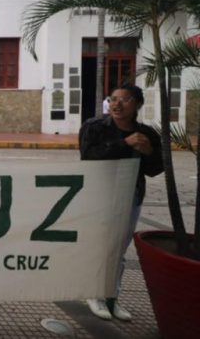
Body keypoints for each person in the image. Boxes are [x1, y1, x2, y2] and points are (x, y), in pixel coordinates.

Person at [79, 84, 163, 321]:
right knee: (101, 246)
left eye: (124, 100)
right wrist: (125, 144)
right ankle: (94, 294)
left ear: (137, 104)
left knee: (119, 249)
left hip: (130, 197)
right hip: (99, 195)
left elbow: (156, 169)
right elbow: (89, 157)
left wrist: (147, 152)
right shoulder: (94, 127)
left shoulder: (147, 134)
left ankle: (112, 298)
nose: (117, 104)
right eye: (113, 99)